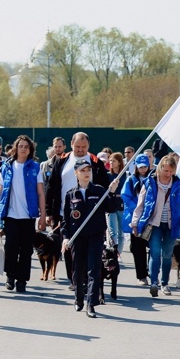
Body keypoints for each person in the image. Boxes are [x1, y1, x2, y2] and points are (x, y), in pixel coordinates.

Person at [45, 132, 109, 286]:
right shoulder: (62, 161)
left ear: (88, 146)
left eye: (84, 147)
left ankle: (87, 279)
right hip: (65, 213)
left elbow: (104, 188)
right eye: (77, 146)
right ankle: (74, 279)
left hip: (90, 214)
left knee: (88, 248)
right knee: (69, 247)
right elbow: (51, 187)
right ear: (71, 145)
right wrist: (48, 212)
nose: (80, 150)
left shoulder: (95, 163)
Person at [62, 158, 120, 317]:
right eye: (82, 170)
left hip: (95, 236)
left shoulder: (99, 191)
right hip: (78, 237)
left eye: (88, 170)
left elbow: (111, 208)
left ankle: (91, 303)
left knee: (94, 270)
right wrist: (66, 238)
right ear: (76, 173)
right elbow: (66, 219)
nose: (86, 173)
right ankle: (79, 298)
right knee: (78, 270)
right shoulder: (70, 195)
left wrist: (113, 192)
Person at [0, 135, 46, 293]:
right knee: (11, 247)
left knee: (26, 249)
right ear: (16, 148)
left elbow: (40, 193)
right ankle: (10, 275)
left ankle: (22, 280)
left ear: (30, 150)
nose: (23, 149)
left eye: (26, 147)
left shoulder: (35, 167)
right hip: (11, 216)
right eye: (21, 146)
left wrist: (43, 215)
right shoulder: (7, 167)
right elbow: (0, 192)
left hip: (28, 217)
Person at [131, 154, 180, 297]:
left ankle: (165, 283)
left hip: (172, 225)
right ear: (160, 168)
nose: (168, 174)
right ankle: (154, 283)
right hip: (154, 224)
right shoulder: (149, 183)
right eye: (166, 170)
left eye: (171, 171)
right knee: (155, 253)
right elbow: (141, 205)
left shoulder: (178, 185)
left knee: (167, 255)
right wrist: (134, 223)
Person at [122, 153, 151, 285]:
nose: (143, 169)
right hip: (136, 218)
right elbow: (125, 196)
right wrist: (137, 208)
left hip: (151, 217)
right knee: (137, 247)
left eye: (145, 166)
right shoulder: (131, 180)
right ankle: (141, 275)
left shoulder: (153, 179)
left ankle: (152, 271)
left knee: (153, 247)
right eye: (140, 166)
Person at [106, 152, 127, 256]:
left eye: (113, 161)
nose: (111, 162)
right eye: (110, 160)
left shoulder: (125, 175)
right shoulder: (107, 175)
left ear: (119, 162)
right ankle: (112, 252)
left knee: (120, 232)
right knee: (112, 230)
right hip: (111, 203)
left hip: (121, 204)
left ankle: (118, 253)